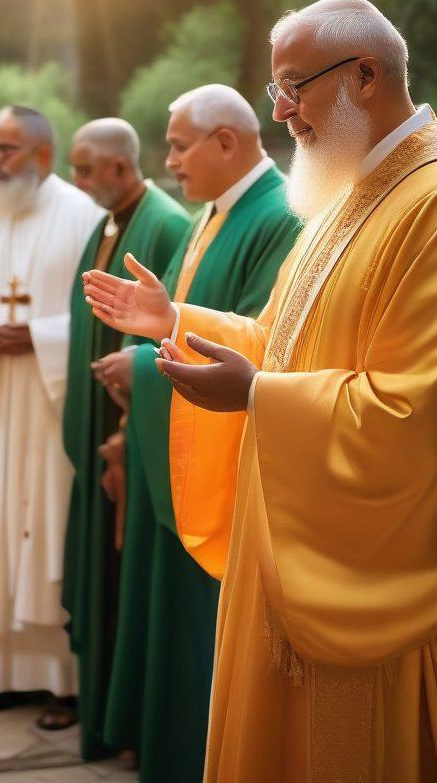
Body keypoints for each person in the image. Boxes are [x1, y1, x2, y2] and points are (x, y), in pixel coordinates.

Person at [84, 0, 437, 782]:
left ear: (363, 76)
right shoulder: (350, 196)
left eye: (294, 87)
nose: (281, 112)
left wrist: (259, 400)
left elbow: (423, 418)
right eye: (273, 90)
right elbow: (284, 346)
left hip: (388, 591)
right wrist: (173, 318)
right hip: (294, 542)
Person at [96, 86, 299, 781]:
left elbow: (257, 350)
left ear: (226, 143)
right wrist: (154, 349)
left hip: (220, 462)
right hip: (171, 446)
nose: (169, 160)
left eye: (180, 145)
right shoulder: (212, 214)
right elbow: (181, 321)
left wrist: (148, 361)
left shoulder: (278, 217)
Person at [0, 106, 101, 726]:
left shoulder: (83, 217)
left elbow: (96, 312)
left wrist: (36, 335)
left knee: (47, 529)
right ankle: (0, 674)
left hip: (49, 406)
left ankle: (64, 682)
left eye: (8, 148)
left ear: (43, 156)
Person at [60, 117, 190, 748]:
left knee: (127, 583)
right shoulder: (106, 223)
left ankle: (134, 724)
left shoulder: (165, 224)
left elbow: (172, 334)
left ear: (117, 166)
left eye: (85, 169)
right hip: (102, 433)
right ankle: (110, 718)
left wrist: (121, 431)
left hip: (133, 440)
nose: (76, 180)